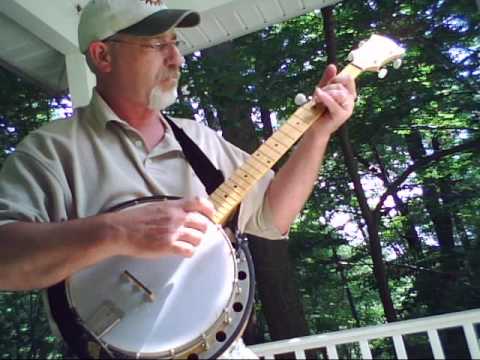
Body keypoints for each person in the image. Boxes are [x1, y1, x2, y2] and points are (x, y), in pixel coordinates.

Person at [0, 0, 356, 357]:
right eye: (157, 45)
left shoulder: (198, 139)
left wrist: (318, 134)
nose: (177, 59)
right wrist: (115, 232)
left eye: (175, 43)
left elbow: (271, 217)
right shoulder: (50, 152)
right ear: (103, 56)